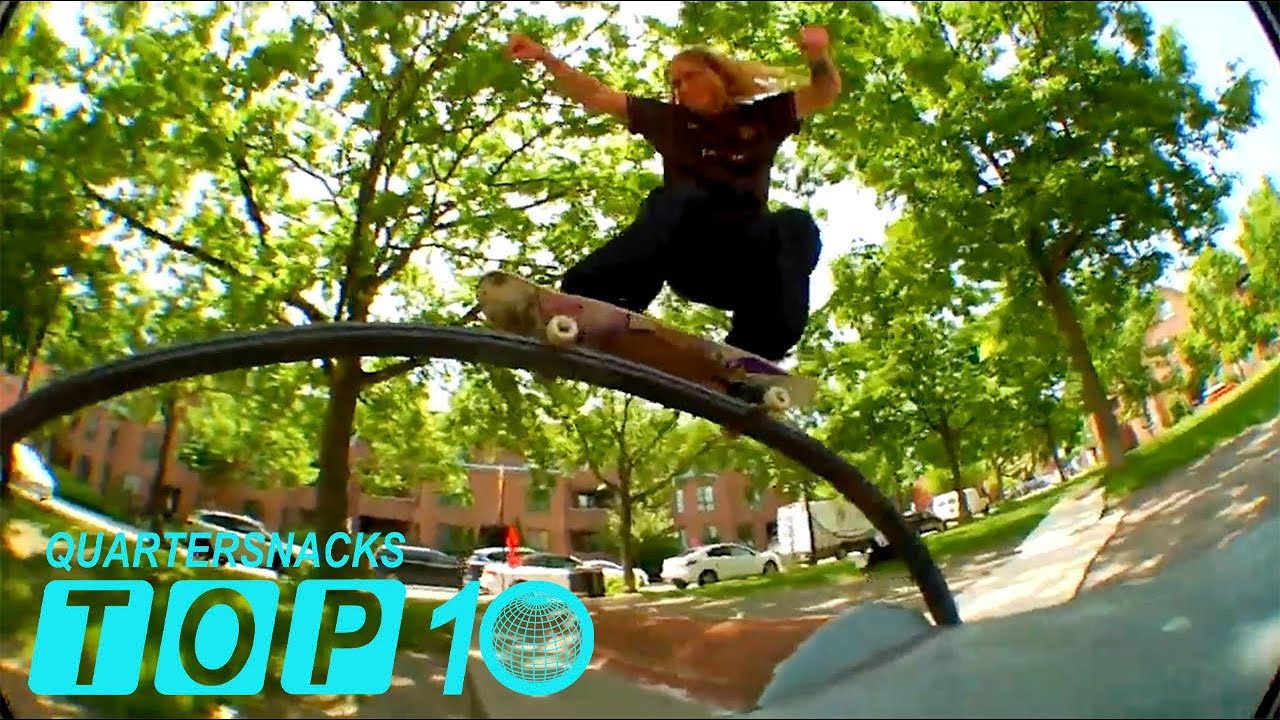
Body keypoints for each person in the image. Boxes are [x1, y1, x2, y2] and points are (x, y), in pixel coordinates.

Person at [507, 27, 842, 362]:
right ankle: (596, 296)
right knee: (676, 198)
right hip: (688, 256)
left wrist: (817, 55)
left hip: (741, 264)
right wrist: (545, 58)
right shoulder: (670, 121)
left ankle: (758, 348)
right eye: (675, 84)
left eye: (689, 77)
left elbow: (823, 91)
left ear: (717, 75)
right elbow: (596, 95)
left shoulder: (764, 118)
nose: (681, 89)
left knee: (797, 225)